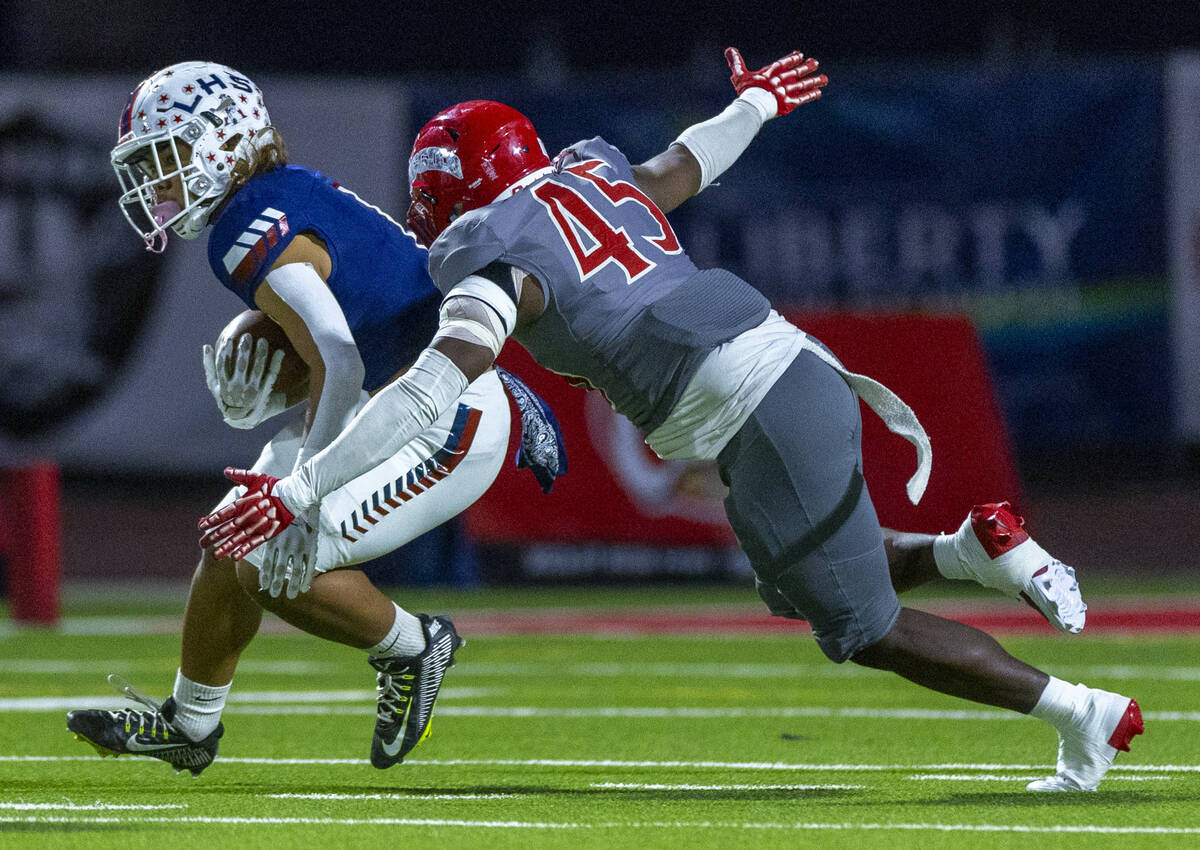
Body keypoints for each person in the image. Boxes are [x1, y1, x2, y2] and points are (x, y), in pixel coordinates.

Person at [201, 47, 1142, 793]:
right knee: (797, 586)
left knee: (866, 627)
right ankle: (978, 549)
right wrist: (757, 106)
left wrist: (300, 487)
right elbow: (685, 163)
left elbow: (418, 399)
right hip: (790, 368)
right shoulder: (590, 177)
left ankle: (1081, 714)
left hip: (755, 409)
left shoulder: (499, 261)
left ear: (453, 190)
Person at [66, 60, 565, 776]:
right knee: (231, 534)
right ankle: (191, 723)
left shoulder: (246, 224)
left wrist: (304, 492)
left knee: (270, 556)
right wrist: (280, 398)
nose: (159, 184)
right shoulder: (279, 194)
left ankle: (415, 647)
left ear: (223, 143)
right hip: (394, 398)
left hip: (439, 416)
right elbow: (358, 334)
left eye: (167, 158)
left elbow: (342, 359)